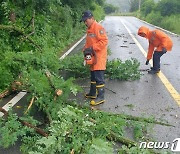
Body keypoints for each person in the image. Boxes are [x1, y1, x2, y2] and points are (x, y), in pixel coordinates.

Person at [80, 10, 108, 105]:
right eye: (84, 21)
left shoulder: (98, 27)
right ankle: (92, 93)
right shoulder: (89, 29)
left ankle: (101, 97)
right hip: (92, 57)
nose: (85, 22)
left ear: (92, 18)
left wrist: (92, 48)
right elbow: (89, 42)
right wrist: (85, 48)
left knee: (99, 77)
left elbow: (104, 41)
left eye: (86, 20)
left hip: (98, 57)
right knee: (93, 75)